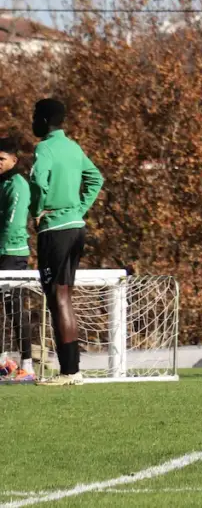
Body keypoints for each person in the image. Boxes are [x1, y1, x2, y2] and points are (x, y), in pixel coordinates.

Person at [29, 99, 104, 386]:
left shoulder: (44, 148)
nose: (32, 121)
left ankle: (70, 372)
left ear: (44, 120)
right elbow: (95, 178)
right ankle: (72, 370)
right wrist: (78, 209)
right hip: (76, 228)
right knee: (64, 296)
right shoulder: (73, 147)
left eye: (35, 116)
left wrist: (38, 210)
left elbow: (38, 181)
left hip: (56, 229)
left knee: (57, 297)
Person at [0, 137, 34, 382]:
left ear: (14, 160)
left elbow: (12, 223)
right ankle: (3, 362)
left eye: (1, 159)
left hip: (12, 253)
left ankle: (27, 365)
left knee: (15, 309)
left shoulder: (18, 184)